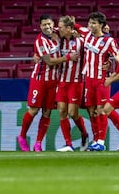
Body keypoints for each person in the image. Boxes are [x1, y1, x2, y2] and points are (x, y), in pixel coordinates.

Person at [17, 14, 75, 152]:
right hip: (40, 79)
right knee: (34, 110)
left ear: (52, 24)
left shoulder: (57, 32)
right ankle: (22, 136)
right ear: (40, 27)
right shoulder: (40, 41)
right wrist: (68, 58)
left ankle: (38, 143)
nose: (47, 27)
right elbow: (49, 61)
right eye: (44, 25)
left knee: (47, 112)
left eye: (49, 24)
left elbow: (72, 30)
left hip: (54, 80)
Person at [74, 12, 119, 151]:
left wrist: (114, 73)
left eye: (94, 23)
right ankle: (95, 140)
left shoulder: (109, 41)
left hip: (101, 80)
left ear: (101, 25)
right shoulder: (86, 34)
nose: (90, 25)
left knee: (101, 110)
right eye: (90, 22)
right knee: (92, 110)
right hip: (88, 79)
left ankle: (101, 141)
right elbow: (74, 25)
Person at [54, 15, 89, 152]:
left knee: (72, 113)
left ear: (69, 28)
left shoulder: (81, 41)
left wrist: (77, 27)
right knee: (62, 111)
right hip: (62, 80)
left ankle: (84, 134)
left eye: (61, 27)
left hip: (76, 81)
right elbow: (49, 30)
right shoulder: (60, 40)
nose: (59, 29)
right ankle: (68, 144)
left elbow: (90, 35)